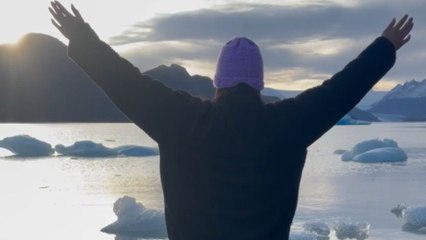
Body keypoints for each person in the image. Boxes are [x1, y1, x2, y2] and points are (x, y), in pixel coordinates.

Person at [49, 1, 413, 239]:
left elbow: (125, 81)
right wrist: (385, 47)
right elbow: (341, 90)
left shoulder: (181, 118)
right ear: (260, 86)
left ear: (216, 83)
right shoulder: (289, 123)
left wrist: (82, 39)